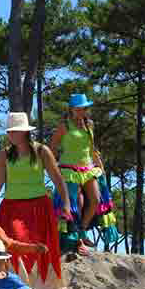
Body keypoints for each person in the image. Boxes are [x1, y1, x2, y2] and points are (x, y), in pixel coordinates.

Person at [0, 113, 72, 288]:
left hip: (39, 207)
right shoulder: (4, 154)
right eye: (9, 131)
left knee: (39, 249)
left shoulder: (42, 151)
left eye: (15, 131)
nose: (10, 134)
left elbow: (58, 179)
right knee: (14, 248)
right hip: (12, 209)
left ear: (24, 132)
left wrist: (67, 204)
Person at [50, 93, 119, 250]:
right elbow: (52, 147)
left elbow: (92, 149)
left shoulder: (90, 125)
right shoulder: (64, 126)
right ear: (72, 109)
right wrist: (53, 167)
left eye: (84, 108)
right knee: (76, 204)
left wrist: (100, 167)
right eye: (78, 108)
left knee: (95, 200)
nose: (82, 111)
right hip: (68, 169)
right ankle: (76, 241)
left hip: (88, 168)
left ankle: (81, 231)